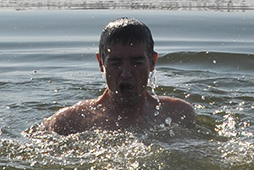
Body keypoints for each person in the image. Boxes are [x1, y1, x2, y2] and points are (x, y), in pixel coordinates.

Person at [42, 18, 197, 135]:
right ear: (101, 63)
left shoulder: (179, 114)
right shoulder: (71, 121)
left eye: (136, 62)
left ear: (152, 62)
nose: (126, 72)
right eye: (116, 63)